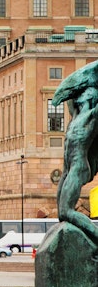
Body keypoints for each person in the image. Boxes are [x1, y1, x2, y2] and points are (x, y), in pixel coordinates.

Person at [52, 59, 98, 245]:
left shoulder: (93, 116)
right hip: (68, 166)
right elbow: (70, 101)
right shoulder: (76, 118)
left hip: (79, 166)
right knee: (62, 213)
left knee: (66, 211)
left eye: (85, 98)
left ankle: (95, 235)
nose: (80, 101)